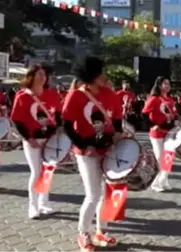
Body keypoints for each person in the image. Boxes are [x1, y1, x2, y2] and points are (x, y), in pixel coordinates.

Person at [62, 56, 123, 250]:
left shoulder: (109, 93)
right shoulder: (76, 95)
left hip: (107, 149)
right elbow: (67, 125)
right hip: (86, 152)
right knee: (93, 194)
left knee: (106, 193)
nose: (105, 76)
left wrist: (118, 134)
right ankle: (83, 233)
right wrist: (83, 145)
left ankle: (101, 230)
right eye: (101, 72)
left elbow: (118, 118)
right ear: (92, 75)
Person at [10, 64, 62, 219]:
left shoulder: (52, 94)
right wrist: (28, 138)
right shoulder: (22, 96)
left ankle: (43, 203)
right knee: (36, 172)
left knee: (47, 171)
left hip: (49, 139)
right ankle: (32, 207)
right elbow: (17, 120)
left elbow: (58, 115)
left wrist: (56, 130)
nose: (43, 77)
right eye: (39, 74)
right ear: (31, 76)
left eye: (44, 74)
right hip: (32, 140)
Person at [142, 76, 176, 192]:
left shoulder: (170, 99)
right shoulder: (154, 99)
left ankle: (163, 180)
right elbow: (144, 114)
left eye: (168, 83)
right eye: (165, 83)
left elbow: (172, 114)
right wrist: (152, 125)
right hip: (157, 133)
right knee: (159, 158)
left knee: (169, 156)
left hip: (169, 131)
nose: (167, 85)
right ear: (159, 85)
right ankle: (155, 183)